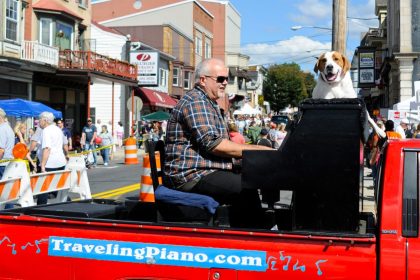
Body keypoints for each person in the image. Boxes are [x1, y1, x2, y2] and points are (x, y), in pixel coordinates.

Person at [165, 58, 272, 228]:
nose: (224, 83)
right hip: (191, 175)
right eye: (220, 79)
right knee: (244, 188)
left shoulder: (208, 103)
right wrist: (259, 151)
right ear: (203, 80)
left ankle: (247, 230)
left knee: (250, 179)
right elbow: (213, 144)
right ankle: (255, 237)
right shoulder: (196, 101)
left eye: (226, 79)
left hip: (205, 170)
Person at [38, 112, 67, 205]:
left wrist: (42, 165)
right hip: (60, 161)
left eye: (40, 119)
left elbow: (47, 148)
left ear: (45, 120)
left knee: (43, 189)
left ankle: (40, 209)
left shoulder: (46, 131)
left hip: (50, 163)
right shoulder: (58, 129)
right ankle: (63, 203)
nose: (39, 121)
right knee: (57, 187)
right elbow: (63, 144)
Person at [0, 108, 14, 178]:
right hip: (8, 163)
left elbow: (1, 150)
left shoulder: (1, 129)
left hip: (2, 164)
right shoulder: (8, 127)